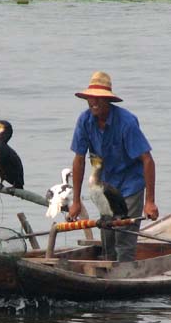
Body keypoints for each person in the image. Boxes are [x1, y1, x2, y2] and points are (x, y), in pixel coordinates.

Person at [67, 71, 158, 262]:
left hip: (130, 184)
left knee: (124, 237)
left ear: (108, 101)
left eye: (99, 99)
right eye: (91, 99)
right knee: (107, 236)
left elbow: (147, 160)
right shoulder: (85, 121)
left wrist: (149, 201)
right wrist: (76, 201)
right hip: (105, 187)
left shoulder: (126, 122)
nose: (94, 103)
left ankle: (125, 273)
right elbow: (79, 160)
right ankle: (107, 272)